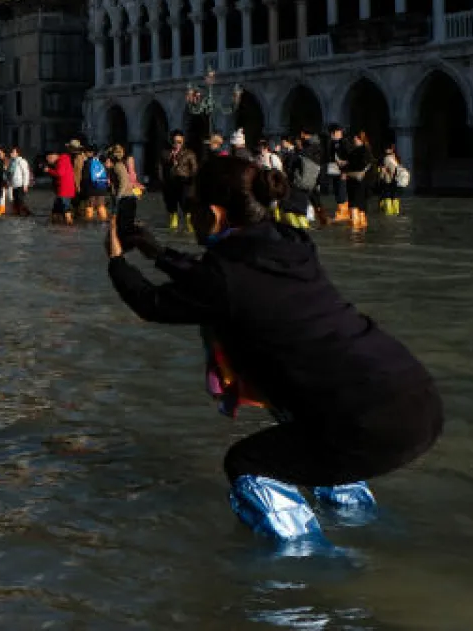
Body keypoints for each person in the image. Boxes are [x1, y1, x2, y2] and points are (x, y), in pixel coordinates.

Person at [104, 155, 443, 547]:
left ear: (214, 215)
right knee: (299, 432)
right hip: (417, 398)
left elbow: (152, 303)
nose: (188, 214)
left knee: (248, 463)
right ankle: (369, 529)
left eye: (192, 207)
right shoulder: (291, 242)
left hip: (367, 421)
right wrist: (157, 253)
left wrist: (115, 261)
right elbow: (219, 281)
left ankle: (309, 572)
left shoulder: (226, 278)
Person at [161, 130, 198, 232]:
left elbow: (194, 169)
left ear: (183, 142)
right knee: (171, 203)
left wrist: (191, 181)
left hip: (184, 182)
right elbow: (161, 167)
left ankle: (190, 223)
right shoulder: (166, 153)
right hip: (170, 182)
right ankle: (174, 221)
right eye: (175, 142)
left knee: (185, 204)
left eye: (179, 142)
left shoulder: (189, 153)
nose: (177, 144)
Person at [343, 130, 375, 231]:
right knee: (362, 208)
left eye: (355, 139)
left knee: (354, 207)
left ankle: (355, 232)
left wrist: (346, 171)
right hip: (364, 185)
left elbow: (355, 166)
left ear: (357, 139)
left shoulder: (357, 151)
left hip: (356, 184)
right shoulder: (367, 150)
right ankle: (362, 230)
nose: (354, 140)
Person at [44, 145, 77, 224]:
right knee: (57, 207)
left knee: (65, 207)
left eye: (48, 158)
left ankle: (69, 223)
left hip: (64, 189)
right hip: (64, 189)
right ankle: (56, 223)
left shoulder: (62, 160)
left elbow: (60, 173)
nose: (48, 160)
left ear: (53, 156)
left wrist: (49, 170)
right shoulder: (64, 159)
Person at [378, 143, 406, 215]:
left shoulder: (386, 158)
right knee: (395, 196)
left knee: (387, 196)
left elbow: (382, 172)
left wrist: (381, 175)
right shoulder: (396, 158)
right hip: (396, 180)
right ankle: (396, 211)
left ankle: (389, 211)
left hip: (388, 180)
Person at [7, 145, 32, 217]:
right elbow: (10, 173)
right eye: (11, 152)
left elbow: (26, 173)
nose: (11, 153)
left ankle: (25, 214)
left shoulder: (22, 161)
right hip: (14, 185)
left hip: (21, 184)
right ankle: (19, 213)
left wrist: (25, 185)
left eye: (13, 152)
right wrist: (9, 182)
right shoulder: (11, 162)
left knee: (20, 200)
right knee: (16, 200)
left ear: (17, 153)